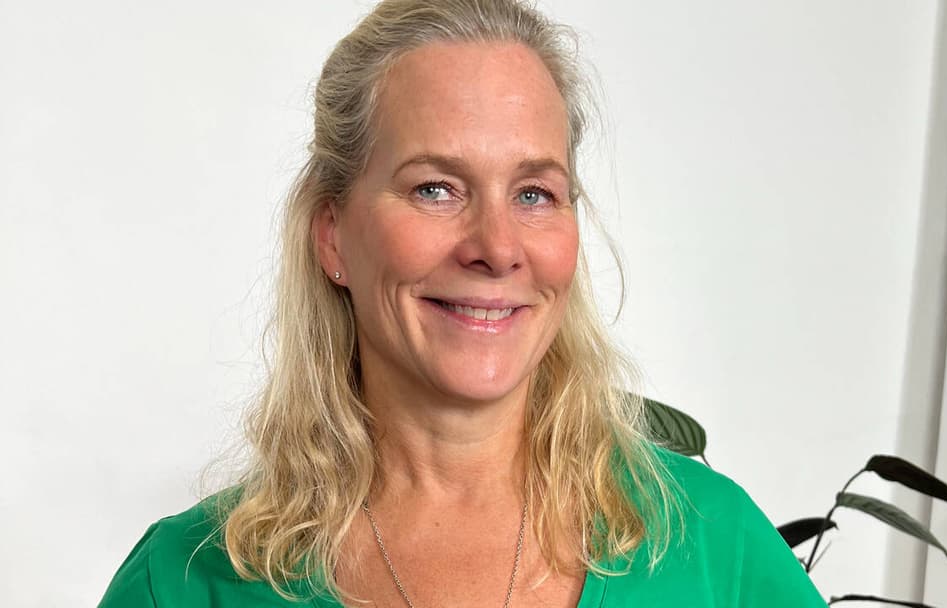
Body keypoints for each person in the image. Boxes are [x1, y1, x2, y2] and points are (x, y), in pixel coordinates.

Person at [99, 0, 827, 606]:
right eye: (436, 188)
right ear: (333, 235)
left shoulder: (714, 544)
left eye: (534, 193)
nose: (497, 247)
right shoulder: (183, 582)